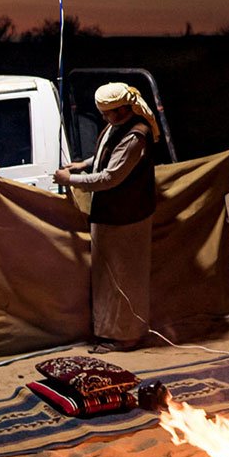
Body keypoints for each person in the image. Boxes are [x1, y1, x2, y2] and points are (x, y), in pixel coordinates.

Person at [54, 82, 160, 353]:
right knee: (109, 278)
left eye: (107, 112)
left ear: (123, 108)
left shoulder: (136, 136)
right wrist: (83, 164)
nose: (103, 117)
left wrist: (72, 179)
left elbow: (110, 177)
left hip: (126, 218)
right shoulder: (118, 126)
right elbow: (105, 157)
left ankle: (127, 336)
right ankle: (112, 332)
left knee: (124, 279)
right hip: (112, 216)